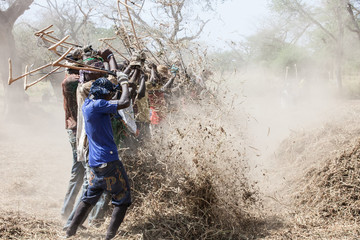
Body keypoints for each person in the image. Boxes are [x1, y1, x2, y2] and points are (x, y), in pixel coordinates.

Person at [65, 74, 132, 240]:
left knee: (89, 197)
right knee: (122, 199)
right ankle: (109, 237)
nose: (110, 96)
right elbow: (124, 102)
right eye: (109, 94)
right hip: (109, 161)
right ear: (103, 94)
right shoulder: (99, 105)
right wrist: (124, 83)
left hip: (95, 162)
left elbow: (113, 100)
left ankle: (70, 232)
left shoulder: (88, 104)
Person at [60, 65, 86, 219]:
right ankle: (69, 212)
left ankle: (69, 211)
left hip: (77, 130)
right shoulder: (70, 81)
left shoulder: (72, 79)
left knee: (80, 171)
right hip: (76, 130)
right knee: (80, 171)